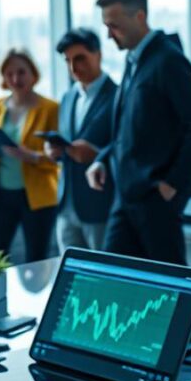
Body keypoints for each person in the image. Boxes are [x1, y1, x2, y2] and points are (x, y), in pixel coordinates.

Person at [85, 0, 191, 275]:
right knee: (115, 278)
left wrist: (172, 183)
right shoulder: (134, 61)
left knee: (169, 284)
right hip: (126, 196)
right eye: (106, 26)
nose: (109, 35)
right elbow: (130, 128)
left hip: (155, 196)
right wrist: (103, 159)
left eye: (114, 25)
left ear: (139, 17)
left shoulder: (168, 61)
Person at [0, 49, 60, 262]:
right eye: (9, 74)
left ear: (33, 74)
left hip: (37, 197)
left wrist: (31, 156)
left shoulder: (51, 109)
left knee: (37, 260)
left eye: (21, 72)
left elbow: (59, 158)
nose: (15, 79)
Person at [46, 28, 117, 252]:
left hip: (100, 204)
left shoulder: (118, 96)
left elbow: (126, 144)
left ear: (98, 55)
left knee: (103, 269)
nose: (73, 68)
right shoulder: (68, 97)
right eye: (68, 61)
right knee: (68, 269)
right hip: (66, 204)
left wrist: (97, 155)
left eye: (80, 59)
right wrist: (55, 151)